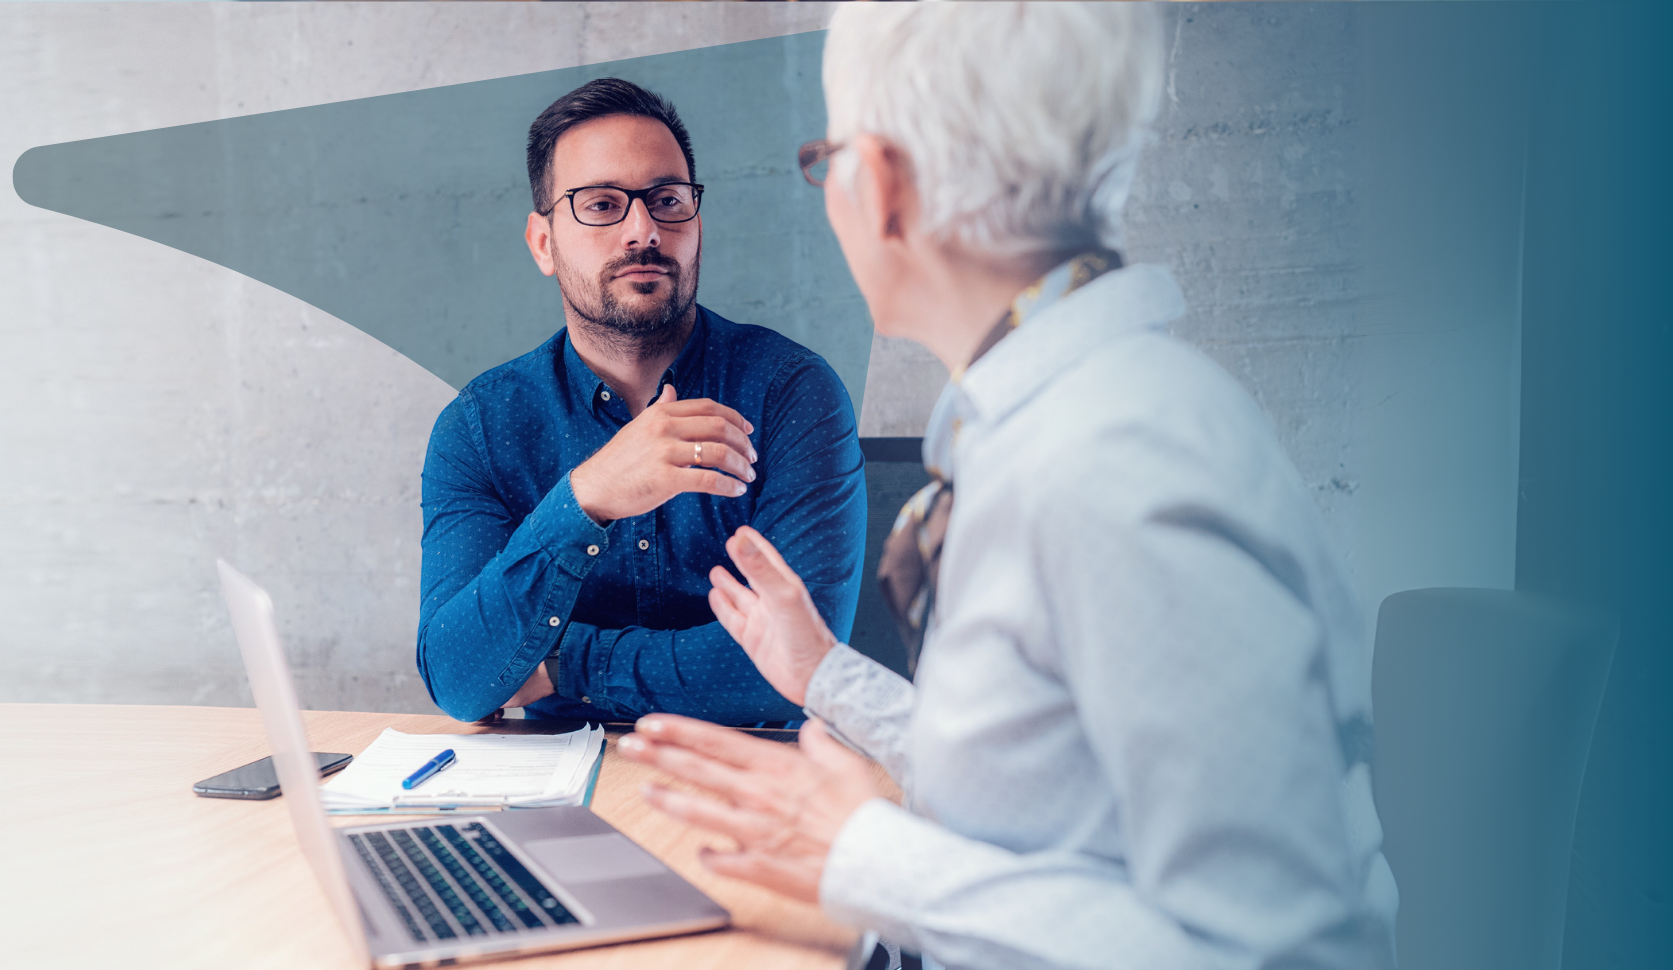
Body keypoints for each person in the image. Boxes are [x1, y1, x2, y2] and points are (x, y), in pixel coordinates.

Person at [616, 5, 1399, 969]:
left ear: (883, 185)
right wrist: (827, 676)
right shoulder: (1053, 424)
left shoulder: (1115, 462)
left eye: (828, 160)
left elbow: (1286, 953)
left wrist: (866, 855)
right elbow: (1051, 794)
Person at [416, 79, 866, 727]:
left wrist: (560, 664)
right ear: (543, 243)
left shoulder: (791, 393)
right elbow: (458, 677)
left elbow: (796, 673)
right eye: (601, 204)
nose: (643, 230)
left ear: (696, 223)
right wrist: (585, 499)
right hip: (558, 780)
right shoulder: (480, 427)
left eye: (667, 200)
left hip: (759, 773)